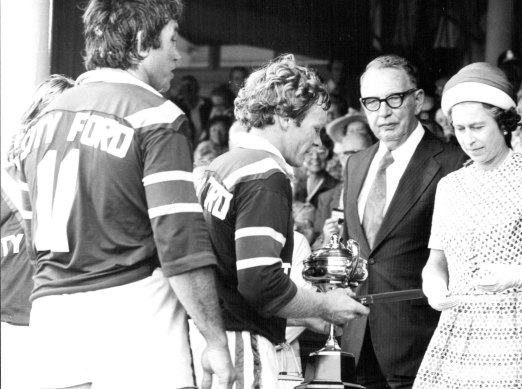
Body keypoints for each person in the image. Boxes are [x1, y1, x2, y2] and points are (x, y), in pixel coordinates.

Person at [16, 1, 235, 388]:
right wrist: (215, 340)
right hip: (135, 315)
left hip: (51, 316)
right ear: (139, 43)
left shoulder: (41, 122)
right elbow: (180, 243)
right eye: (170, 40)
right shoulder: (156, 114)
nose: (177, 53)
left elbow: (34, 243)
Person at [191, 54, 369, 388]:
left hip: (212, 335)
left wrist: (308, 312)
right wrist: (324, 304)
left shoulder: (224, 164)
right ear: (286, 118)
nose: (318, 142)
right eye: (315, 129)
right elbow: (260, 282)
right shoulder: (267, 176)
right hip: (241, 342)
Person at [414, 62, 522, 388]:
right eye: (460, 129)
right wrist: (433, 285)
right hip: (458, 325)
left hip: (516, 326)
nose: (468, 139)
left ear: (503, 123)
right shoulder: (450, 186)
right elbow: (436, 261)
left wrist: (519, 274)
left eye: (477, 127)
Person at [340, 54, 467, 389]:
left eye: (394, 99)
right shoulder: (355, 165)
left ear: (419, 100)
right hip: (356, 344)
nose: (383, 112)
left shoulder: (453, 162)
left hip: (421, 344)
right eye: (372, 102)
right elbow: (354, 250)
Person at [1, 74, 74, 389]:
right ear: (31, 122)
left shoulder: (87, 189)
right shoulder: (5, 187)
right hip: (13, 333)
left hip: (70, 333)